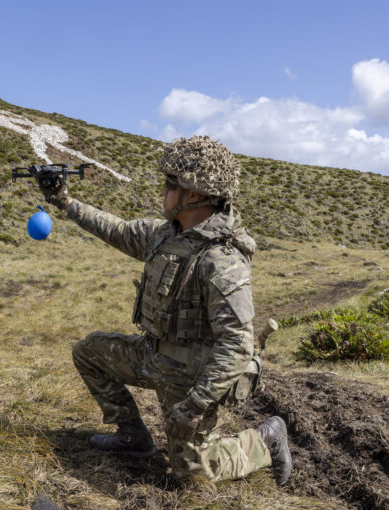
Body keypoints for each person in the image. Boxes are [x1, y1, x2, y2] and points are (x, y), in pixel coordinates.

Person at [40, 135, 292, 485]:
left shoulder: (222, 261)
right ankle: (133, 436)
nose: (163, 191)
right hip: (152, 354)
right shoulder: (164, 235)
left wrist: (195, 405)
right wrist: (63, 201)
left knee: (192, 475)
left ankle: (265, 439)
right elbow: (115, 229)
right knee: (89, 352)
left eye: (170, 184)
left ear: (193, 194)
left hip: (189, 379)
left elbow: (236, 344)